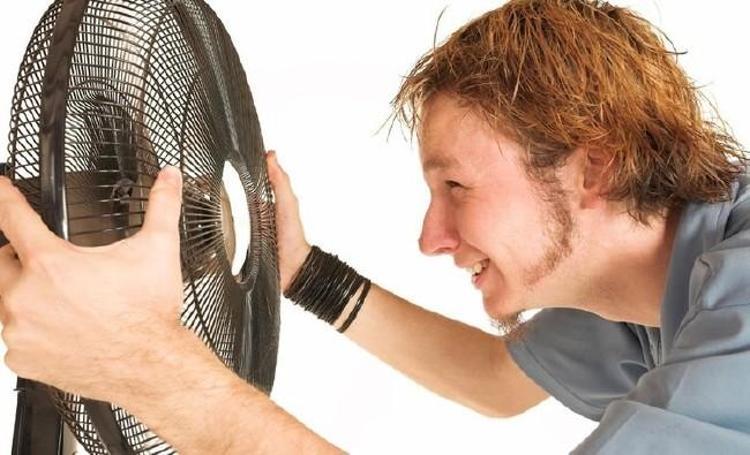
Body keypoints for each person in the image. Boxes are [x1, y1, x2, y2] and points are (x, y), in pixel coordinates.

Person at [1, 0, 749, 453]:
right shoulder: (655, 298)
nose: (431, 237)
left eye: (456, 186)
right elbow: (497, 381)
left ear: (596, 169)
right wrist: (302, 272)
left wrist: (138, 361)